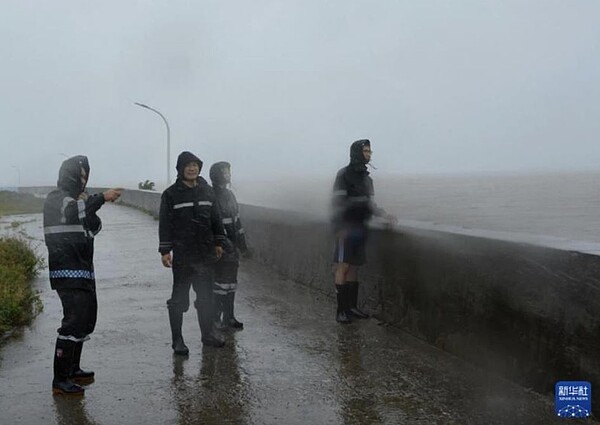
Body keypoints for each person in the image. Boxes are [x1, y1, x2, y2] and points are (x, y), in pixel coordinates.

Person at [43, 155, 122, 395]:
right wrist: (101, 198)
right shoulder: (57, 198)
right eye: (80, 174)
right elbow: (72, 211)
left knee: (86, 321)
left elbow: (94, 227)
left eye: (86, 175)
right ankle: (60, 379)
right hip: (66, 271)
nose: (84, 179)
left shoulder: (79, 202)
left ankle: (73, 369)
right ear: (69, 175)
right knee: (73, 322)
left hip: (84, 269)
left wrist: (90, 206)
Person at [159, 151, 228, 354]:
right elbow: (165, 224)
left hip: (206, 255)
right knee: (178, 300)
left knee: (206, 298)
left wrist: (219, 241)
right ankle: (177, 341)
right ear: (181, 169)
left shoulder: (207, 192)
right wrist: (165, 250)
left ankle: (207, 335)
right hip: (183, 256)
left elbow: (216, 218)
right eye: (188, 165)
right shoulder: (171, 194)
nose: (192, 168)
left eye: (195, 165)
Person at [331, 139, 397, 323]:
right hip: (346, 227)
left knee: (354, 267)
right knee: (342, 266)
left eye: (370, 151)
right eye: (366, 151)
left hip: (361, 227)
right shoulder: (343, 174)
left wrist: (383, 214)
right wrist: (338, 227)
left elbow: (369, 204)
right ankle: (341, 310)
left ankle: (352, 307)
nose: (369, 154)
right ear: (357, 153)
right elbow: (337, 203)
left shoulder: (367, 179)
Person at [209, 161, 251, 330]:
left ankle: (229, 317)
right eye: (224, 171)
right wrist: (217, 244)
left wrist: (243, 247)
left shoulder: (230, 195)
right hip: (219, 247)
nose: (227, 174)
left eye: (228, 171)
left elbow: (237, 223)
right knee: (219, 284)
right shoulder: (211, 196)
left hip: (232, 247)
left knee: (231, 283)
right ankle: (215, 318)